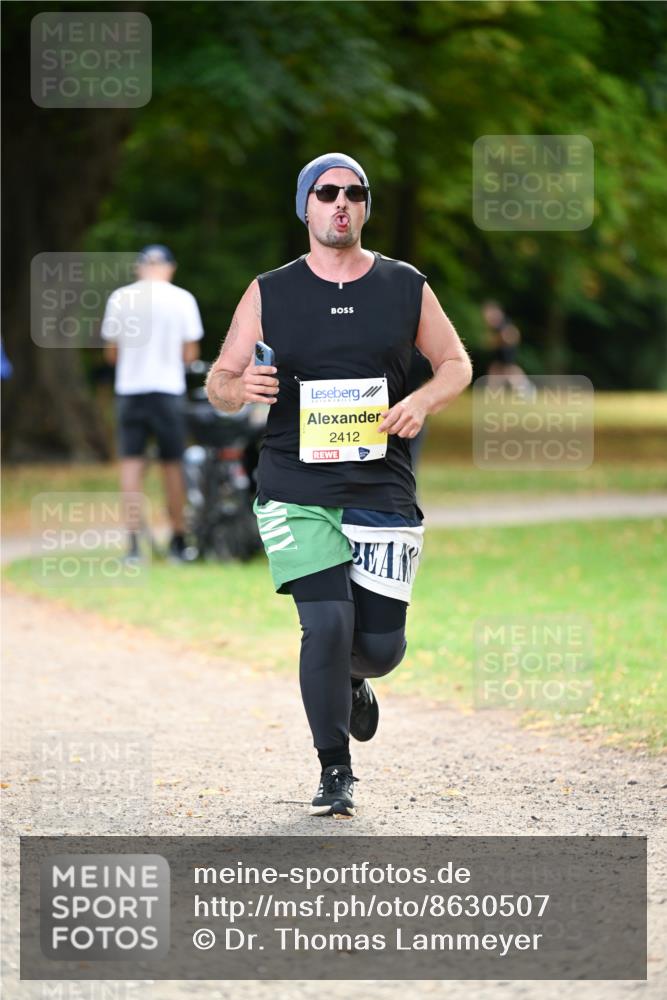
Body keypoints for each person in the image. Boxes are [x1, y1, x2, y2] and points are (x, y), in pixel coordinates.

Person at [206, 153, 472, 817]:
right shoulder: (270, 291)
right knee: (324, 624)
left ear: (365, 206)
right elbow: (218, 382)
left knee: (379, 649)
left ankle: (353, 680)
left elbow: (456, 363)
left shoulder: (403, 285)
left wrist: (422, 403)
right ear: (306, 206)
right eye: (326, 193)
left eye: (354, 193)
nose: (340, 204)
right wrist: (241, 388)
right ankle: (334, 769)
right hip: (294, 481)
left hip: (380, 483)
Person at [102, 244, 204, 561]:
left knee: (131, 465)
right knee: (172, 465)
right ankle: (177, 539)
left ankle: (133, 545)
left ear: (139, 268)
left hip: (130, 390)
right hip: (166, 389)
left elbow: (111, 353)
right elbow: (190, 354)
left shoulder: (120, 298)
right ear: (170, 268)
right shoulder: (182, 298)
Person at [482, 300, 535, 396]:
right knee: (496, 370)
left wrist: (498, 341)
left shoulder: (503, 323)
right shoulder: (497, 325)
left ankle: (527, 391)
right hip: (501, 352)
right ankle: (493, 393)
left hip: (506, 352)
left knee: (510, 372)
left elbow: (512, 335)